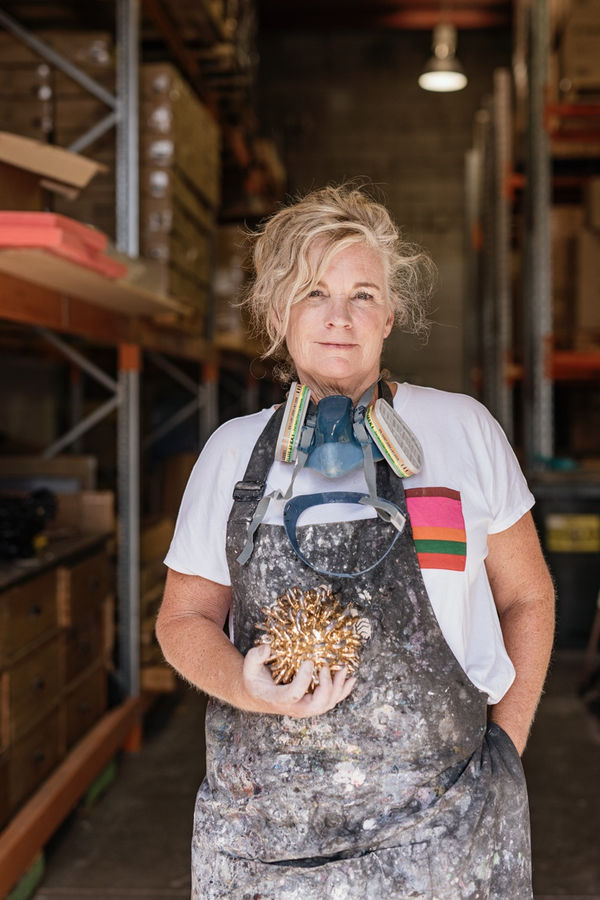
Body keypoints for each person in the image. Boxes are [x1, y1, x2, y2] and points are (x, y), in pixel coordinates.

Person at [157, 183, 555, 899]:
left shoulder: (463, 431)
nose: (341, 318)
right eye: (315, 292)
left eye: (364, 294)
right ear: (277, 312)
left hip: (446, 831)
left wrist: (508, 743)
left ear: (391, 314)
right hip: (269, 836)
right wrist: (245, 685)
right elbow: (183, 621)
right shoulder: (231, 454)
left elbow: (528, 594)